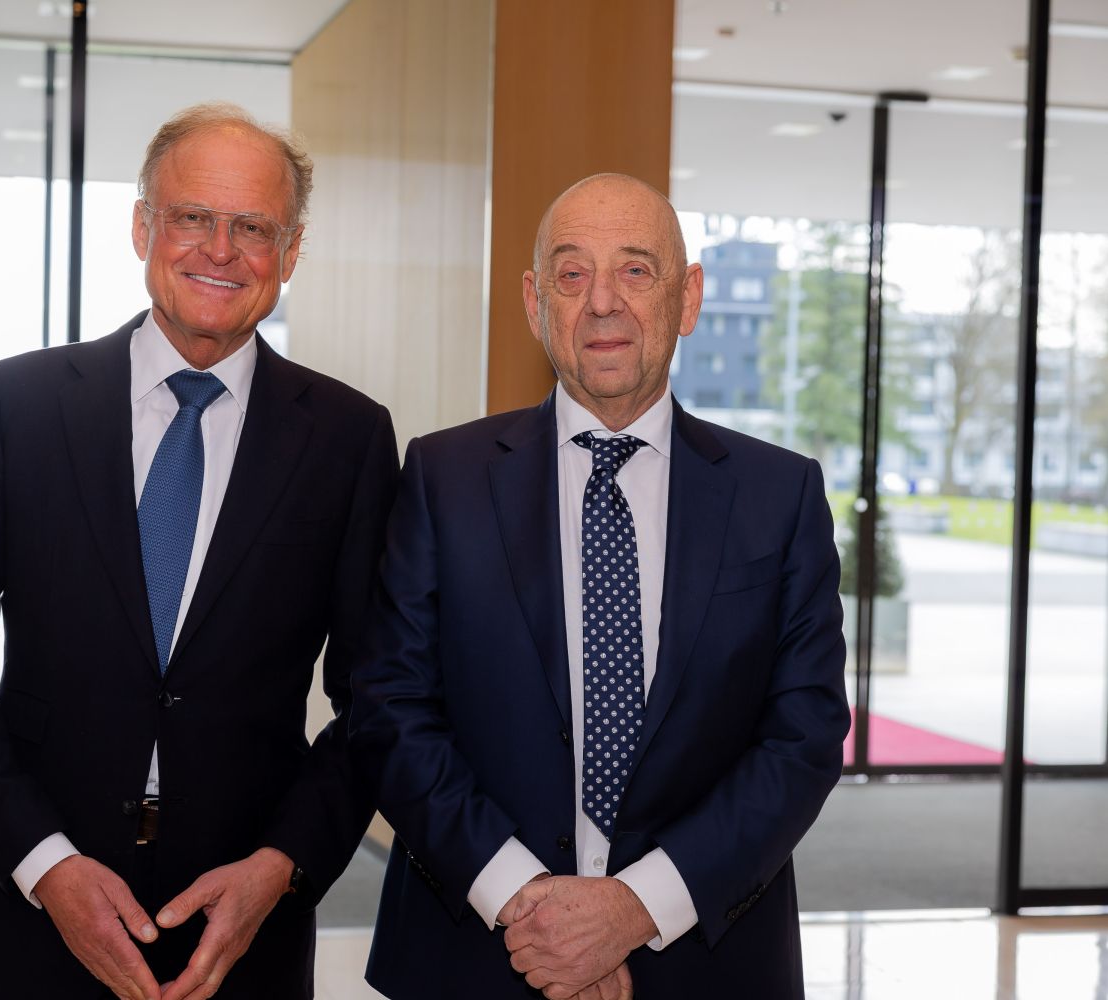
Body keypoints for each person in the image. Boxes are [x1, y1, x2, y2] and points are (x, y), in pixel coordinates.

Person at [0, 103, 398, 1000]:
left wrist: (282, 866)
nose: (220, 250)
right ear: (142, 228)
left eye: (253, 227)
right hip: (39, 907)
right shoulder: (15, 406)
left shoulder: (349, 439)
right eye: (191, 217)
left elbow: (375, 699)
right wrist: (44, 862)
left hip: (244, 923)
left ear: (289, 253)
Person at [350, 173, 849, 999]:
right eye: (571, 273)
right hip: (476, 953)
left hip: (704, 962)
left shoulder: (778, 494)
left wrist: (633, 908)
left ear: (687, 298)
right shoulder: (443, 477)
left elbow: (802, 735)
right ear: (534, 301)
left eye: (636, 270)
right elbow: (389, 708)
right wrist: (528, 904)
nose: (602, 302)